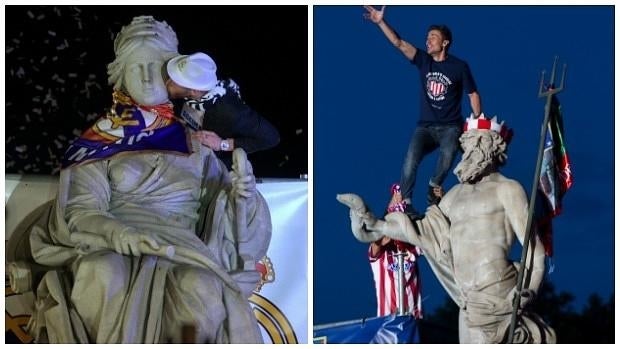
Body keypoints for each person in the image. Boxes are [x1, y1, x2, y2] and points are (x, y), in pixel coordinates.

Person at [20, 16, 271, 344]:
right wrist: (121, 234)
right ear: (120, 74)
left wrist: (243, 197)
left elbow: (226, 211)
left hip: (182, 246)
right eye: (137, 66)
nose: (147, 75)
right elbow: (80, 212)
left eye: (156, 65)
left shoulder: (195, 144)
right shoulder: (97, 141)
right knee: (103, 272)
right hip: (113, 241)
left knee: (201, 286)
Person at [338, 115, 556, 343]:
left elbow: (534, 250)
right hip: (466, 302)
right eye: (466, 144)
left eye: (474, 144)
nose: (467, 152)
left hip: (499, 295)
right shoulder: (454, 195)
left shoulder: (507, 189)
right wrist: (376, 225)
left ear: (491, 147)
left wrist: (528, 291)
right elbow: (422, 230)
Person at [363, 5, 482, 211]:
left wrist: (478, 121)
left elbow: (473, 94)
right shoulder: (424, 61)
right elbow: (398, 43)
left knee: (447, 156)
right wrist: (381, 22)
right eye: (427, 36)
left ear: (445, 42)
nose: (428, 40)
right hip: (425, 127)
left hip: (450, 127)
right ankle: (406, 202)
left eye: (433, 37)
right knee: (410, 160)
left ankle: (433, 186)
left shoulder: (459, 67)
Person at [163, 52, 280, 167]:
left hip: (215, 167)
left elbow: (271, 138)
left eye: (175, 82)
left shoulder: (231, 112)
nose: (168, 83)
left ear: (194, 91)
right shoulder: (186, 95)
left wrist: (223, 144)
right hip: (186, 148)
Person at [369, 184, 423, 319]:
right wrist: (390, 208)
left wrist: (437, 201)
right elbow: (374, 246)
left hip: (413, 321)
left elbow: (430, 239)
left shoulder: (413, 249)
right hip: (387, 323)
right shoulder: (381, 254)